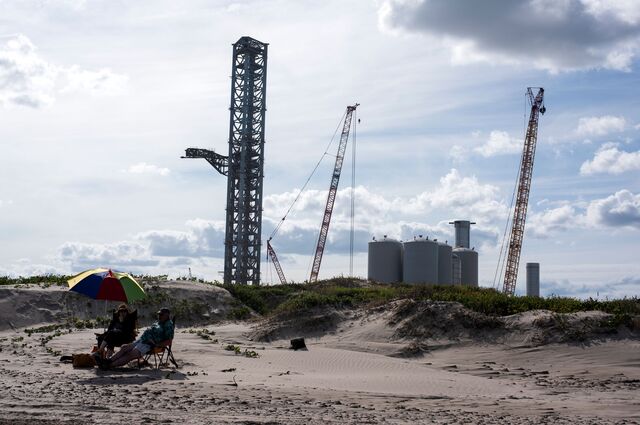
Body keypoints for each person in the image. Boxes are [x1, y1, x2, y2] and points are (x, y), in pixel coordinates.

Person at [98, 307, 173, 370]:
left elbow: (169, 341)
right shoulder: (159, 322)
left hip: (149, 344)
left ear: (167, 315)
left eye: (161, 314)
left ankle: (110, 365)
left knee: (131, 354)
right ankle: (108, 361)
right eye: (158, 314)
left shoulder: (168, 325)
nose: (159, 316)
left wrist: (157, 344)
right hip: (142, 340)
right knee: (124, 347)